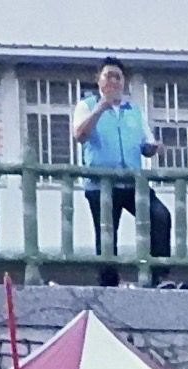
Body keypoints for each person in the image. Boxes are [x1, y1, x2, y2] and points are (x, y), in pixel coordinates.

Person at [72, 58, 169, 287]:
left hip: (132, 182)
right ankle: (108, 283)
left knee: (160, 216)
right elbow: (80, 136)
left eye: (118, 77)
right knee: (107, 236)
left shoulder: (133, 111)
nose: (114, 81)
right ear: (99, 80)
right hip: (101, 185)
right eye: (109, 76)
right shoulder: (86, 106)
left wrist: (152, 148)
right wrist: (101, 108)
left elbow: (145, 146)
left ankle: (159, 276)